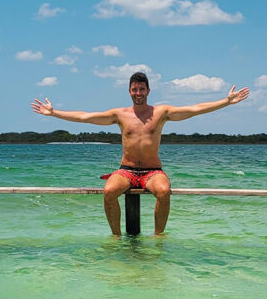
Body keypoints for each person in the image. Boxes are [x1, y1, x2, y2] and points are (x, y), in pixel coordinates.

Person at [32, 72, 250, 236]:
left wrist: (226, 101)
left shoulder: (161, 113)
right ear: (129, 91)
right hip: (126, 171)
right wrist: (54, 113)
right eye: (134, 90)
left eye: (142, 89)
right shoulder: (120, 115)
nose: (138, 93)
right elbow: (85, 117)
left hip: (152, 171)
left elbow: (195, 109)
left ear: (148, 91)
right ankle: (116, 237)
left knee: (164, 191)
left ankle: (158, 236)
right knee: (108, 192)